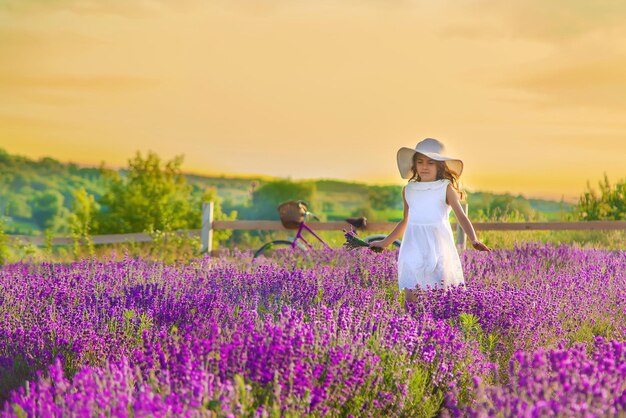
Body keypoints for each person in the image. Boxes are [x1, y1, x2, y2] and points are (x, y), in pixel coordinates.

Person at [369, 138, 490, 304]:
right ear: (414, 165)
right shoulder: (409, 190)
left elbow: (461, 216)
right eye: (420, 162)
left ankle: (440, 325)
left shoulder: (445, 188)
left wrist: (474, 239)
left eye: (430, 163)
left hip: (438, 246)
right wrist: (385, 242)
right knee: (411, 296)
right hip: (413, 246)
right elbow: (405, 221)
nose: (424, 166)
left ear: (440, 166)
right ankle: (411, 325)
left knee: (441, 294)